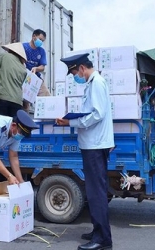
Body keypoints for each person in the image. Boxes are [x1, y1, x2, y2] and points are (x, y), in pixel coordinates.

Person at [55, 53, 114, 250]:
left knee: (96, 192)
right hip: (93, 144)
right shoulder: (93, 83)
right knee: (94, 190)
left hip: (95, 145)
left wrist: (70, 122)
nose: (74, 78)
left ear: (81, 68)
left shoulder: (96, 82)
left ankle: (102, 240)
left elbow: (97, 114)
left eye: (73, 73)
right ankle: (99, 230)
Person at [0, 43, 27, 117]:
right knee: (10, 125)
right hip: (17, 101)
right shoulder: (23, 68)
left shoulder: (5, 56)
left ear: (11, 50)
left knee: (0, 123)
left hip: (3, 96)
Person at [22, 29, 50, 111]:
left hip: (36, 78)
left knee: (46, 96)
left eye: (42, 41)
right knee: (25, 103)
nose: (41, 42)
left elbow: (42, 67)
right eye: (40, 39)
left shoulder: (41, 51)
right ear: (34, 36)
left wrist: (36, 68)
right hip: (24, 77)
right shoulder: (24, 47)